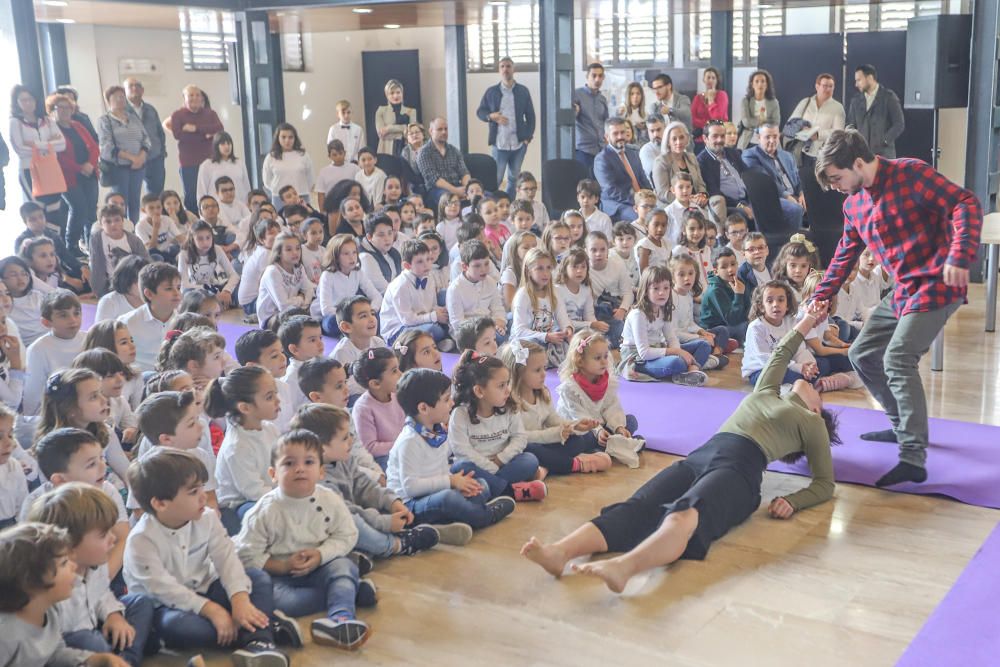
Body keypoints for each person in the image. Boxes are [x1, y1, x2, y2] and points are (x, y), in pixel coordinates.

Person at [523, 301, 838, 592]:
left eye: (818, 394)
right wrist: (810, 318)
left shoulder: (810, 424)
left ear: (815, 411)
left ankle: (625, 567)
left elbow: (825, 484)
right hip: (704, 453)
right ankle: (558, 552)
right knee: (638, 506)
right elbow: (783, 351)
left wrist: (795, 501)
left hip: (741, 468)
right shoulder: (769, 390)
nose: (812, 385)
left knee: (683, 515)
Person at [812, 128, 982, 486]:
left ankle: (912, 456)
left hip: (938, 281)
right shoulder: (854, 203)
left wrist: (960, 254)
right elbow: (846, 252)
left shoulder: (910, 174)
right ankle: (901, 424)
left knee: (898, 358)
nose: (836, 187)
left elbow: (965, 203)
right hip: (905, 288)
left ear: (858, 163)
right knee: (862, 352)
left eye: (837, 178)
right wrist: (822, 293)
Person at [124, 448, 295, 663]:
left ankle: (258, 642)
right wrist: (212, 610)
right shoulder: (141, 540)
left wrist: (239, 599)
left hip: (208, 588)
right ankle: (262, 627)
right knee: (180, 627)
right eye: (193, 492)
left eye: (201, 488)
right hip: (167, 606)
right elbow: (165, 590)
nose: (204, 496)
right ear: (160, 503)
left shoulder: (207, 518)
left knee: (257, 578)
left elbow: (227, 559)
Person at [27, 483, 156, 666]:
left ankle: (125, 661)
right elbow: (52, 646)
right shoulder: (52, 586)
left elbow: (103, 594)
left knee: (140, 602)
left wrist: (114, 616)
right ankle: (122, 655)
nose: (113, 538)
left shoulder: (96, 563)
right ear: (69, 546)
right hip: (72, 644)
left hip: (96, 625)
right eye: (103, 535)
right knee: (90, 642)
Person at [0, 522, 128, 667]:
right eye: (64, 563)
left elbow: (53, 653)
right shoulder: (6, 634)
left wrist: (93, 659)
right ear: (30, 581)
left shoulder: (50, 611)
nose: (73, 566)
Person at [10, 84, 68, 233]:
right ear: (16, 103)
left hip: (50, 170)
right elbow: (20, 150)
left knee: (55, 209)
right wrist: (49, 143)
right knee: (38, 211)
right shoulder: (15, 122)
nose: (27, 103)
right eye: (23, 100)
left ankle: (56, 248)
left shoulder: (48, 120)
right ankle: (39, 248)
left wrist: (36, 145)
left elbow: (62, 144)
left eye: (30, 99)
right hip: (30, 170)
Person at [48, 93, 99, 258]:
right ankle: (71, 245)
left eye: (68, 107)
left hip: (89, 173)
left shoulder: (77, 125)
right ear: (52, 110)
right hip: (69, 176)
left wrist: (90, 164)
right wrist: (79, 168)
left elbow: (93, 146)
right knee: (78, 208)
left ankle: (90, 244)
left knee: (91, 211)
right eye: (60, 108)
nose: (64, 111)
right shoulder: (52, 129)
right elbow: (59, 156)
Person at [476, 57, 535, 197]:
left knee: (514, 179)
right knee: (495, 179)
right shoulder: (491, 92)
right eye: (502, 66)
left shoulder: (523, 91)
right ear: (499, 70)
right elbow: (480, 112)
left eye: (508, 66)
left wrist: (527, 138)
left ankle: (508, 206)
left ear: (513, 69)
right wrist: (491, 116)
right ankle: (491, 206)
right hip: (499, 143)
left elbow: (531, 116)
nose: (505, 69)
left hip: (518, 144)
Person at [168, 85, 223, 213]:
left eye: (197, 95)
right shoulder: (178, 115)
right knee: (192, 196)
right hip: (189, 162)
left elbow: (220, 129)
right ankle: (194, 222)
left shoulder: (210, 113)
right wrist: (206, 134)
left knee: (212, 192)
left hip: (210, 160)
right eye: (191, 95)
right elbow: (178, 135)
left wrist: (195, 129)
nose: (195, 98)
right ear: (184, 98)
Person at [98, 86, 149, 224]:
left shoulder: (133, 117)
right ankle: (120, 229)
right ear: (109, 101)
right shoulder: (105, 120)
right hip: (119, 168)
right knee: (120, 203)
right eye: (117, 97)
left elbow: (146, 138)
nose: (121, 99)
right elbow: (106, 147)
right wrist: (132, 158)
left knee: (135, 201)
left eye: (123, 96)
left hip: (138, 166)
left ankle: (133, 231)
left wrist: (141, 156)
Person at [742, 123, 805, 229]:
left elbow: (798, 179)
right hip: (772, 198)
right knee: (795, 209)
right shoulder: (750, 155)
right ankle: (793, 242)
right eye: (767, 137)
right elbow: (765, 182)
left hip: (794, 195)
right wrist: (787, 196)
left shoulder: (787, 156)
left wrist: (802, 193)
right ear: (758, 138)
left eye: (775, 136)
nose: (772, 141)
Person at [652, 121, 719, 219]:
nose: (678, 142)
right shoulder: (661, 161)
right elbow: (663, 194)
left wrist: (702, 195)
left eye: (681, 137)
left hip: (695, 203)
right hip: (672, 205)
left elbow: (700, 184)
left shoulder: (691, 157)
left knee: (717, 202)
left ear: (687, 139)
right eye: (674, 139)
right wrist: (688, 199)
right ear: (668, 142)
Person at [593, 117, 653, 222]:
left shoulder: (633, 153)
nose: (620, 136)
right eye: (615, 134)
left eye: (622, 132)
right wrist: (638, 201)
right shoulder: (602, 159)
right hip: (617, 205)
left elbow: (643, 179)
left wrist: (651, 196)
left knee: (662, 213)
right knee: (641, 218)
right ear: (607, 137)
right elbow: (611, 191)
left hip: (640, 201)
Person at [697, 120, 754, 223]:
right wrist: (741, 206)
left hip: (747, 200)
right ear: (705, 138)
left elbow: (748, 175)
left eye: (722, 136)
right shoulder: (702, 161)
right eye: (715, 136)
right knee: (745, 215)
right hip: (728, 205)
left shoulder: (732, 153)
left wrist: (752, 201)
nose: (720, 140)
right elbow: (713, 191)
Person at [788, 73, 846, 171]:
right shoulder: (805, 102)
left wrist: (818, 135)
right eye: (824, 86)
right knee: (804, 185)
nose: (828, 89)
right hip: (802, 155)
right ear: (817, 86)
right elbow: (791, 122)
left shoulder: (838, 108)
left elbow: (839, 133)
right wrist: (800, 127)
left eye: (831, 86)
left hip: (825, 157)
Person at [846, 65, 905, 159]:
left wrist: (884, 140)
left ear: (869, 78)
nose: (856, 84)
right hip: (861, 155)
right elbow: (850, 125)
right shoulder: (855, 100)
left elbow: (899, 124)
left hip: (884, 155)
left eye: (859, 80)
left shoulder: (888, 97)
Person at [124, 77, 166, 197]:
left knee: (157, 194)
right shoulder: (121, 111)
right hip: (132, 160)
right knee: (132, 195)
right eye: (130, 86)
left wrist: (162, 152)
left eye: (137, 86)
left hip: (155, 158)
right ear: (125, 91)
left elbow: (159, 132)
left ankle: (156, 216)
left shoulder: (151, 109)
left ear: (142, 90)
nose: (134, 88)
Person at [416, 117, 470, 210]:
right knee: (450, 199)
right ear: (431, 131)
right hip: (436, 190)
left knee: (483, 195)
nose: (444, 132)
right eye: (440, 129)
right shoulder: (424, 153)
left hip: (457, 185)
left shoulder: (454, 150)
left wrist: (468, 189)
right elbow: (434, 179)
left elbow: (464, 172)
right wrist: (456, 191)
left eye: (446, 129)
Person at [572, 63, 609, 173]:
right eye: (594, 75)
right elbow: (570, 117)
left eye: (600, 76)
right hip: (583, 150)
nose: (597, 79)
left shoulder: (602, 99)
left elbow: (606, 123)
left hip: (601, 149)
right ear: (587, 76)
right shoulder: (576, 94)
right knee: (585, 185)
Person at [196, 131, 251, 204]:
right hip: (216, 208)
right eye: (223, 144)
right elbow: (201, 192)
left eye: (229, 143)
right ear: (216, 146)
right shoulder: (207, 165)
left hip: (239, 207)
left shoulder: (239, 163)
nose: (227, 146)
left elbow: (246, 187)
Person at [737, 69, 780, 150]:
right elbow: (746, 122)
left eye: (763, 81)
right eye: (757, 81)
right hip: (748, 140)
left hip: (769, 141)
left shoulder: (774, 101)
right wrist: (766, 121)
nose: (760, 84)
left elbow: (776, 122)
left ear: (767, 84)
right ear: (752, 84)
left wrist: (755, 121)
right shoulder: (745, 101)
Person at [689, 67, 729, 153]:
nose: (710, 80)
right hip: (699, 138)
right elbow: (692, 118)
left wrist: (711, 101)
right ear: (704, 79)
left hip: (716, 137)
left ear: (717, 80)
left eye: (713, 78)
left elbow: (717, 118)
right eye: (708, 77)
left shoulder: (722, 95)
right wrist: (708, 124)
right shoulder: (698, 97)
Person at [374, 79, 417, 156]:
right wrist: (403, 128)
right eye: (392, 93)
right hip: (386, 150)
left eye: (398, 92)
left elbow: (411, 132)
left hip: (406, 148)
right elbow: (381, 133)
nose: (395, 96)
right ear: (387, 95)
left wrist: (389, 128)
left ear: (402, 93)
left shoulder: (411, 111)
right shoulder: (381, 110)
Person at [327, 99, 365, 164]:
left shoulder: (358, 129)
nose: (346, 115)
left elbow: (361, 148)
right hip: (338, 164)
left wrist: (355, 160)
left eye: (348, 112)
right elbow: (330, 148)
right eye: (343, 113)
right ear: (338, 114)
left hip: (355, 164)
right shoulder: (333, 129)